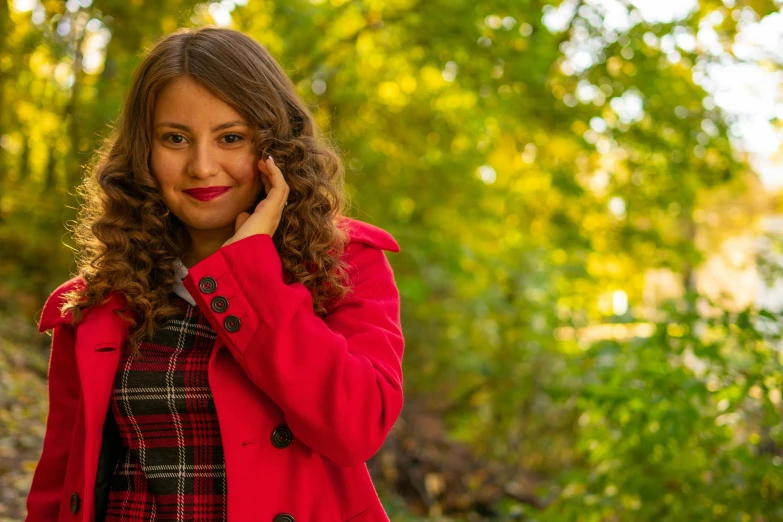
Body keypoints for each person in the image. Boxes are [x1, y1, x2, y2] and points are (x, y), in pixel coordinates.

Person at [25, 26, 404, 522]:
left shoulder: (346, 265)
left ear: (275, 149)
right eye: (176, 138)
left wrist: (251, 273)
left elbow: (355, 428)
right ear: (145, 151)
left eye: (231, 138)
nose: (202, 167)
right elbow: (58, 485)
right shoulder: (98, 301)